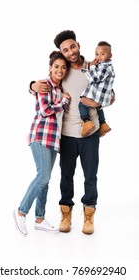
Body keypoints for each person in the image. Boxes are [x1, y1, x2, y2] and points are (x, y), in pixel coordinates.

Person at [31, 30, 110, 234]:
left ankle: (89, 215)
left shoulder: (93, 67)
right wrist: (32, 86)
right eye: (65, 50)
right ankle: (66, 213)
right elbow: (44, 85)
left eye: (72, 46)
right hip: (65, 135)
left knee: (90, 176)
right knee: (66, 176)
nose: (70, 52)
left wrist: (107, 100)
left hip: (90, 133)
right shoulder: (62, 71)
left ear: (78, 45)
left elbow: (109, 90)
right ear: (61, 53)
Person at [13, 51, 71, 236]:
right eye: (56, 67)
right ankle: (21, 211)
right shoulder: (45, 85)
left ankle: (40, 219)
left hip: (53, 139)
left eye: (63, 67)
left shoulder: (60, 88)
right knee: (43, 176)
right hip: (40, 136)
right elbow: (46, 110)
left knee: (45, 181)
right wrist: (64, 101)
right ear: (50, 68)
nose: (60, 70)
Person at [78, 41, 115, 137]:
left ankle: (87, 122)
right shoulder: (104, 66)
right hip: (101, 95)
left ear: (110, 55)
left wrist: (91, 67)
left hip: (99, 95)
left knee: (82, 104)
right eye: (96, 54)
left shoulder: (105, 67)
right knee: (98, 108)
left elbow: (95, 78)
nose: (99, 57)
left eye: (102, 54)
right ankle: (103, 124)